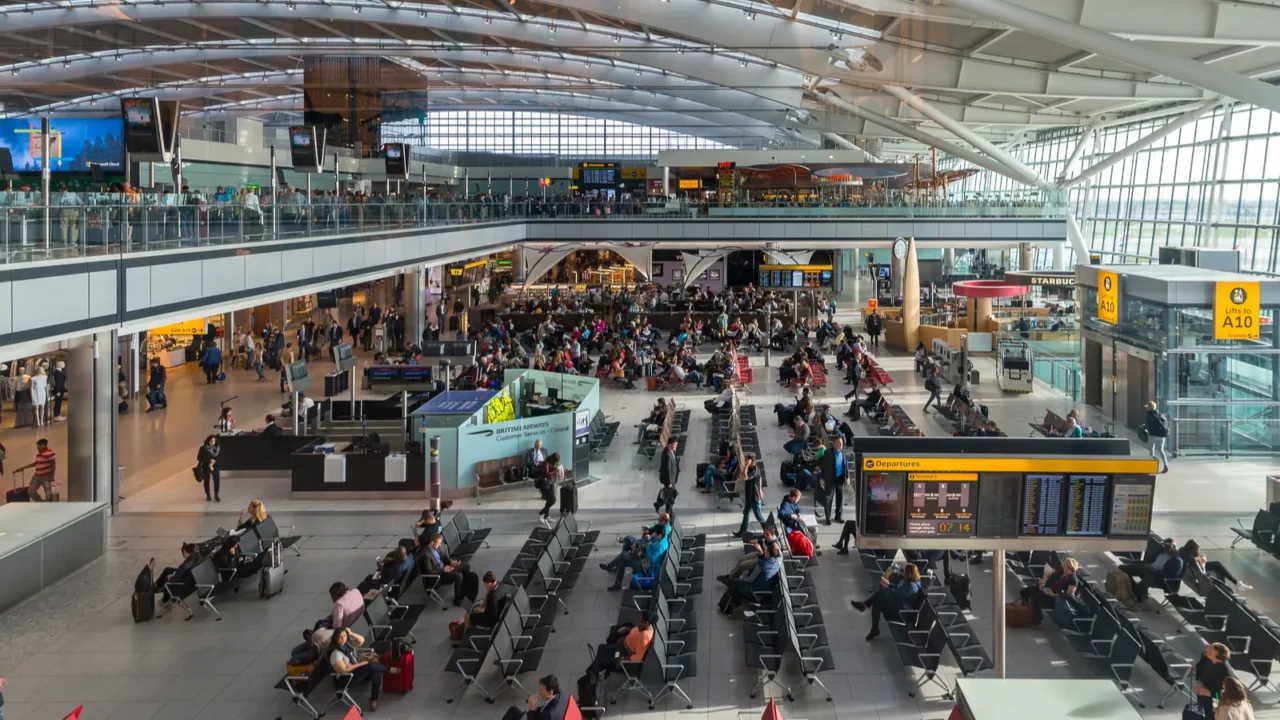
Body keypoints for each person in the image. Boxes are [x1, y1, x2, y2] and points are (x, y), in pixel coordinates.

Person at [851, 563, 922, 641]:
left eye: (905, 572)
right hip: (896, 603)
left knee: (882, 593)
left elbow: (898, 595)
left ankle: (864, 606)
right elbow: (897, 587)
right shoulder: (908, 581)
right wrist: (888, 584)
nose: (903, 573)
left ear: (909, 574)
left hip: (900, 610)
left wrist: (888, 588)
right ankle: (874, 629)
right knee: (877, 603)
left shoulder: (911, 586)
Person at [327, 627, 387, 712]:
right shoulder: (335, 654)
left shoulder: (347, 645)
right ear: (335, 639)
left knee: (376, 674)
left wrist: (351, 633)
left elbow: (361, 640)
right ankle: (387, 669)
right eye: (340, 637)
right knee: (370, 666)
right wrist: (361, 664)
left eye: (344, 635)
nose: (343, 638)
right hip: (346, 678)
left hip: (357, 673)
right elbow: (344, 670)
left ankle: (373, 699)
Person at [603, 524, 668, 591]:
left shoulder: (661, 546)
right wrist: (646, 543)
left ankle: (610, 567)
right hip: (644, 559)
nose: (654, 534)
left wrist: (648, 546)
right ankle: (617, 583)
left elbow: (652, 559)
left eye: (655, 534)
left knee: (623, 555)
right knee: (622, 561)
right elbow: (651, 545)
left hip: (646, 566)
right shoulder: (662, 538)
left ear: (659, 535)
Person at [421, 533, 479, 606]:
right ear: (432, 542)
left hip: (444, 569)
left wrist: (450, 562)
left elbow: (443, 557)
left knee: (466, 566)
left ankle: (464, 589)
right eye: (438, 543)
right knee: (458, 576)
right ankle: (457, 600)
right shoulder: (426, 555)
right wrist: (443, 570)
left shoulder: (436, 547)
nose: (439, 545)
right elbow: (429, 572)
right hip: (438, 576)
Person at [1022, 557, 1081, 628]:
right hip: (1045, 588)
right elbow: (1048, 574)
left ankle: (1037, 622)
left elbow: (1068, 596)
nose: (1062, 564)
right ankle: (1028, 610)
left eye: (1064, 563)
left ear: (1068, 567)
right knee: (1024, 592)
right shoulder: (1060, 569)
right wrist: (1043, 582)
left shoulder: (1073, 580)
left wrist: (1053, 595)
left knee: (1036, 600)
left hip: (1054, 598)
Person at [1119, 537, 1184, 602]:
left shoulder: (1176, 561)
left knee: (1143, 584)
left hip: (1157, 576)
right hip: (1148, 568)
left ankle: (1139, 597)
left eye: (1168, 546)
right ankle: (1133, 589)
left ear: (1174, 547)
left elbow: (1168, 575)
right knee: (1123, 568)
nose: (1166, 548)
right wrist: (1147, 563)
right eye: (1165, 545)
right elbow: (1153, 560)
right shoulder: (1162, 552)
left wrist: (1153, 570)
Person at [1180, 540, 1252, 593]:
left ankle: (1236, 584)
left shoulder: (1183, 553)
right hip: (1199, 573)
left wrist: (1201, 560)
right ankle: (1234, 586)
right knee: (1218, 566)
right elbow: (1202, 573)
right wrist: (1203, 562)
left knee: (1218, 566)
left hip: (1194, 571)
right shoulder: (1193, 561)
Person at [1195, 642, 1236, 718]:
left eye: (1209, 652)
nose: (1206, 652)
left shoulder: (1227, 675)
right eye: (1208, 648)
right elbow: (1202, 664)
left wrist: (1211, 694)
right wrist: (1197, 666)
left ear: (1217, 658)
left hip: (1215, 702)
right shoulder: (1208, 657)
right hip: (1204, 696)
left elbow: (1229, 696)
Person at [501, 675, 568, 720]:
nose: (540, 692)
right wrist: (537, 710)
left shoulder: (548, 715)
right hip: (540, 716)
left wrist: (532, 707)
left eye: (542, 690)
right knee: (513, 710)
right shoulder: (559, 693)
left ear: (550, 692)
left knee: (512, 714)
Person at [732, 454, 765, 538]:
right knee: (746, 512)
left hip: (754, 496)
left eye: (747, 460)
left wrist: (746, 465)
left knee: (758, 515)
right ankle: (742, 531)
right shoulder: (752, 468)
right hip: (749, 495)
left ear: (751, 461)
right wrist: (760, 489)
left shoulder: (754, 470)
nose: (745, 461)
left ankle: (768, 531)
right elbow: (760, 478)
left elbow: (744, 477)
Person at [818, 436, 849, 525]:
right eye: (839, 443)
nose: (840, 445)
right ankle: (828, 517)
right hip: (830, 478)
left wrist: (847, 476)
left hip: (840, 478)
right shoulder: (828, 453)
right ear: (834, 443)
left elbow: (845, 465)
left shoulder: (843, 452)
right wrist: (822, 478)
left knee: (840, 498)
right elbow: (823, 467)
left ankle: (838, 516)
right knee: (829, 498)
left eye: (841, 443)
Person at [537, 453, 565, 526]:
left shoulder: (550, 462)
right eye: (555, 461)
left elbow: (552, 469)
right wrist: (556, 470)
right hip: (544, 485)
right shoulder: (545, 463)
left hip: (549, 484)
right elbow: (547, 474)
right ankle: (541, 513)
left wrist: (559, 469)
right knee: (553, 499)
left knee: (550, 500)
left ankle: (546, 516)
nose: (556, 463)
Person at [1143, 401, 1170, 473]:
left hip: (1152, 435)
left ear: (1149, 408)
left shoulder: (1148, 416)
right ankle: (1166, 465)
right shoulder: (1161, 415)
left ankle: (1152, 467)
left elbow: (1146, 425)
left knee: (1151, 450)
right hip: (1161, 436)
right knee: (1161, 450)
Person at [197, 434, 221, 502]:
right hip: (206, 466)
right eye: (211, 441)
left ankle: (216, 495)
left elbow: (219, 457)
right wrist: (209, 460)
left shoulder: (217, 448)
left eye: (214, 441)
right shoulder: (203, 448)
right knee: (206, 480)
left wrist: (214, 461)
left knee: (216, 480)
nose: (212, 442)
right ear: (208, 441)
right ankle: (208, 494)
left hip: (215, 465)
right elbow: (199, 457)